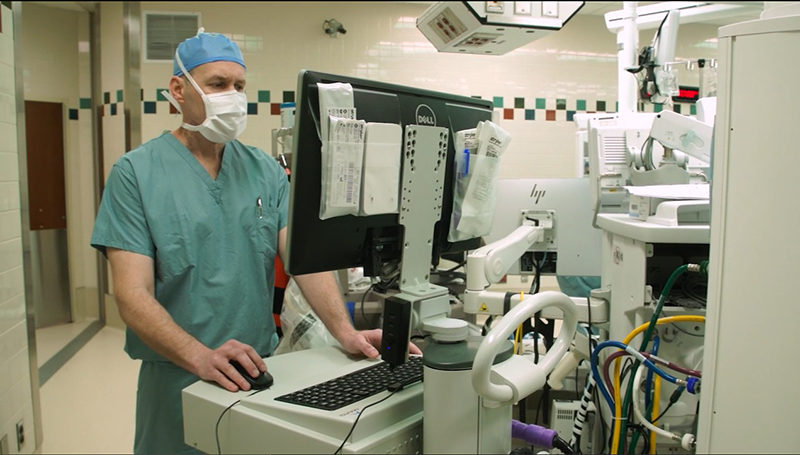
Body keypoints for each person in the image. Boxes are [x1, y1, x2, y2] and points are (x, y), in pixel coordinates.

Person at [90, 29, 420, 454]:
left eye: (239, 86)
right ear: (179, 90)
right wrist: (199, 356)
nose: (232, 96)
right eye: (217, 84)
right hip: (177, 375)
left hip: (259, 371)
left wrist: (345, 332)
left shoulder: (264, 171)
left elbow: (304, 262)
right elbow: (132, 294)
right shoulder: (136, 174)